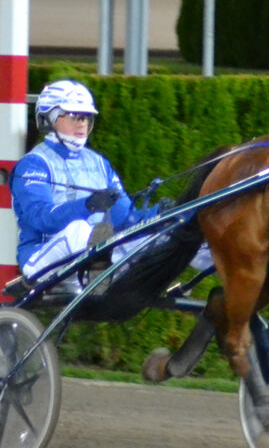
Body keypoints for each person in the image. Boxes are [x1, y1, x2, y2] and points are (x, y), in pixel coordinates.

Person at [11, 79, 208, 292]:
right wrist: (87, 206)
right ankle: (100, 280)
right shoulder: (34, 163)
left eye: (86, 117)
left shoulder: (98, 163)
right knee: (80, 229)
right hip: (42, 259)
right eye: (73, 116)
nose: (81, 124)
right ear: (48, 119)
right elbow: (41, 218)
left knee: (177, 230)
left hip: (98, 252)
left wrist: (158, 215)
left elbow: (125, 218)